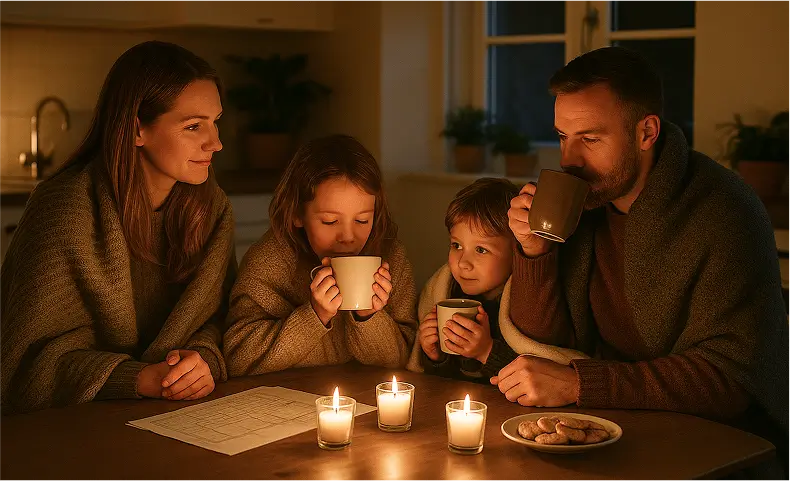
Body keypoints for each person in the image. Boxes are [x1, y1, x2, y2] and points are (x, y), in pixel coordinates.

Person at [497, 46, 790, 477]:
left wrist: (580, 383)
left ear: (646, 132)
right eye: (562, 137)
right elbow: (545, 341)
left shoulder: (725, 211)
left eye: (590, 139)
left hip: (720, 448)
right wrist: (534, 251)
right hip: (604, 430)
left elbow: (729, 380)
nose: (569, 160)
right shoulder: (587, 204)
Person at [0, 41, 237, 413]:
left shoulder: (212, 209)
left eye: (215, 122)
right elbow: (23, 365)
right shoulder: (64, 209)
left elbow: (222, 321)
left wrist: (200, 361)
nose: (216, 143)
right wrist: (138, 378)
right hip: (76, 426)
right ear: (137, 129)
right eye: (193, 126)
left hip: (179, 414)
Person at [223, 135, 416, 375]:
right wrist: (315, 315)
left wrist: (369, 315)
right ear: (297, 214)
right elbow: (238, 358)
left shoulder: (390, 257)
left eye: (362, 220)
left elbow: (404, 359)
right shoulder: (269, 261)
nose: (348, 236)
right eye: (330, 221)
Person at [407, 178, 585, 382]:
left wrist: (486, 352)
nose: (463, 263)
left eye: (481, 250)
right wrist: (435, 356)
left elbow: (539, 376)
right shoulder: (446, 290)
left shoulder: (526, 303)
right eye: (456, 245)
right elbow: (447, 381)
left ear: (515, 253)